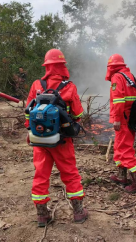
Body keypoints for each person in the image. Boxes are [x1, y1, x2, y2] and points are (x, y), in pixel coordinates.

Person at [25, 49, 87, 227]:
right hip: (61, 140)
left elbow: (28, 114)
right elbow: (78, 114)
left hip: (39, 140)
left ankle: (42, 215)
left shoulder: (37, 85)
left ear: (47, 66)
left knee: (40, 175)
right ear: (62, 66)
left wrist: (30, 132)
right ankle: (78, 212)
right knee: (70, 174)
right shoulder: (69, 86)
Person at [106, 54, 136, 192]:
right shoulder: (130, 76)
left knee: (125, 149)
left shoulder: (117, 77)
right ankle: (121, 175)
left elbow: (118, 101)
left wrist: (117, 118)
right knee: (119, 146)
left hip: (123, 119)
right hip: (131, 118)